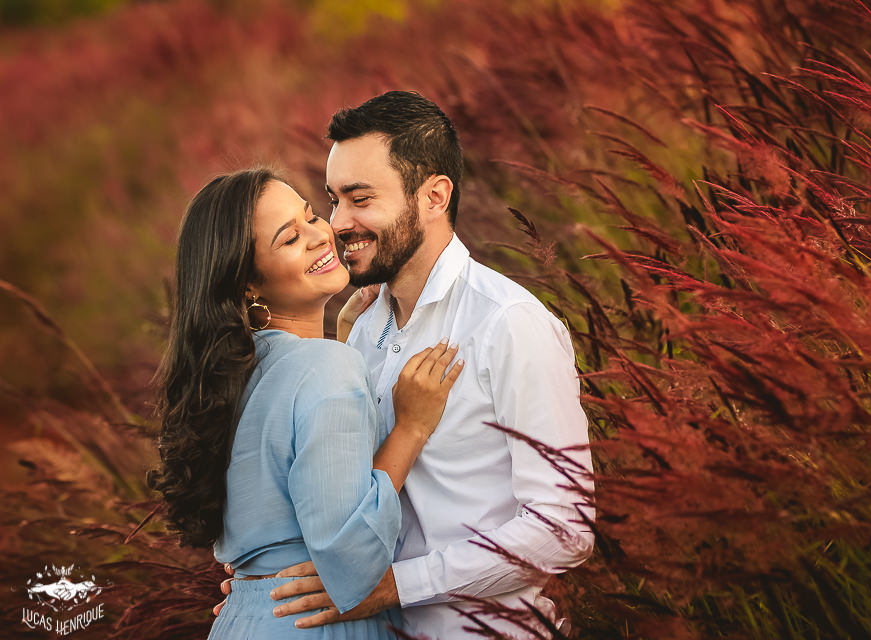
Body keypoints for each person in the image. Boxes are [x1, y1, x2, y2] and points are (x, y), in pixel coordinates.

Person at [219, 91, 596, 639]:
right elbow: (342, 491)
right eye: (333, 199)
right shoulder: (362, 327)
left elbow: (565, 528)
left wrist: (396, 585)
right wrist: (261, 583)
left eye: (360, 198)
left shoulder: (508, 324)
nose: (337, 223)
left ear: (434, 196)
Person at [148, 168, 464, 639]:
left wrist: (342, 346)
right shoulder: (323, 369)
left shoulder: (234, 377)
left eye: (312, 216)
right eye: (290, 238)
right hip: (317, 623)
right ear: (247, 285)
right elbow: (353, 566)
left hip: (249, 617)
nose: (321, 235)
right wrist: (409, 430)